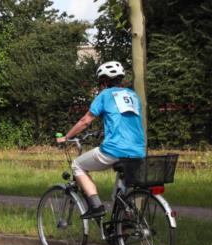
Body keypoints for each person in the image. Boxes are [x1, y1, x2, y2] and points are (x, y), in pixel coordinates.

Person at [56, 61, 145, 219]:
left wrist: (66, 137)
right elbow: (126, 122)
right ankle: (120, 237)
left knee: (77, 165)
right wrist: (105, 132)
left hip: (114, 150)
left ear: (104, 82)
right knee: (120, 198)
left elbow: (85, 121)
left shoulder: (104, 95)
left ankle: (96, 206)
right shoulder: (133, 95)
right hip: (138, 151)